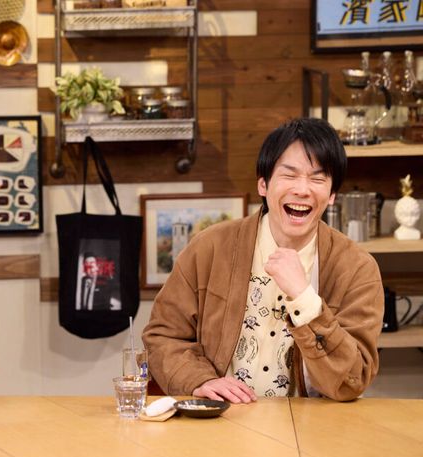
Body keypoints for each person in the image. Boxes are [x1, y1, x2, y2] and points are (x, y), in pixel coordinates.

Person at [143, 117, 384, 403]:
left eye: (317, 179)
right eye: (289, 175)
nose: (302, 189)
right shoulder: (210, 247)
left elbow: (353, 378)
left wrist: (305, 299)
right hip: (222, 417)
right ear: (263, 185)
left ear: (331, 195)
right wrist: (199, 380)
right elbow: (163, 336)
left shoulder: (357, 268)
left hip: (313, 422)